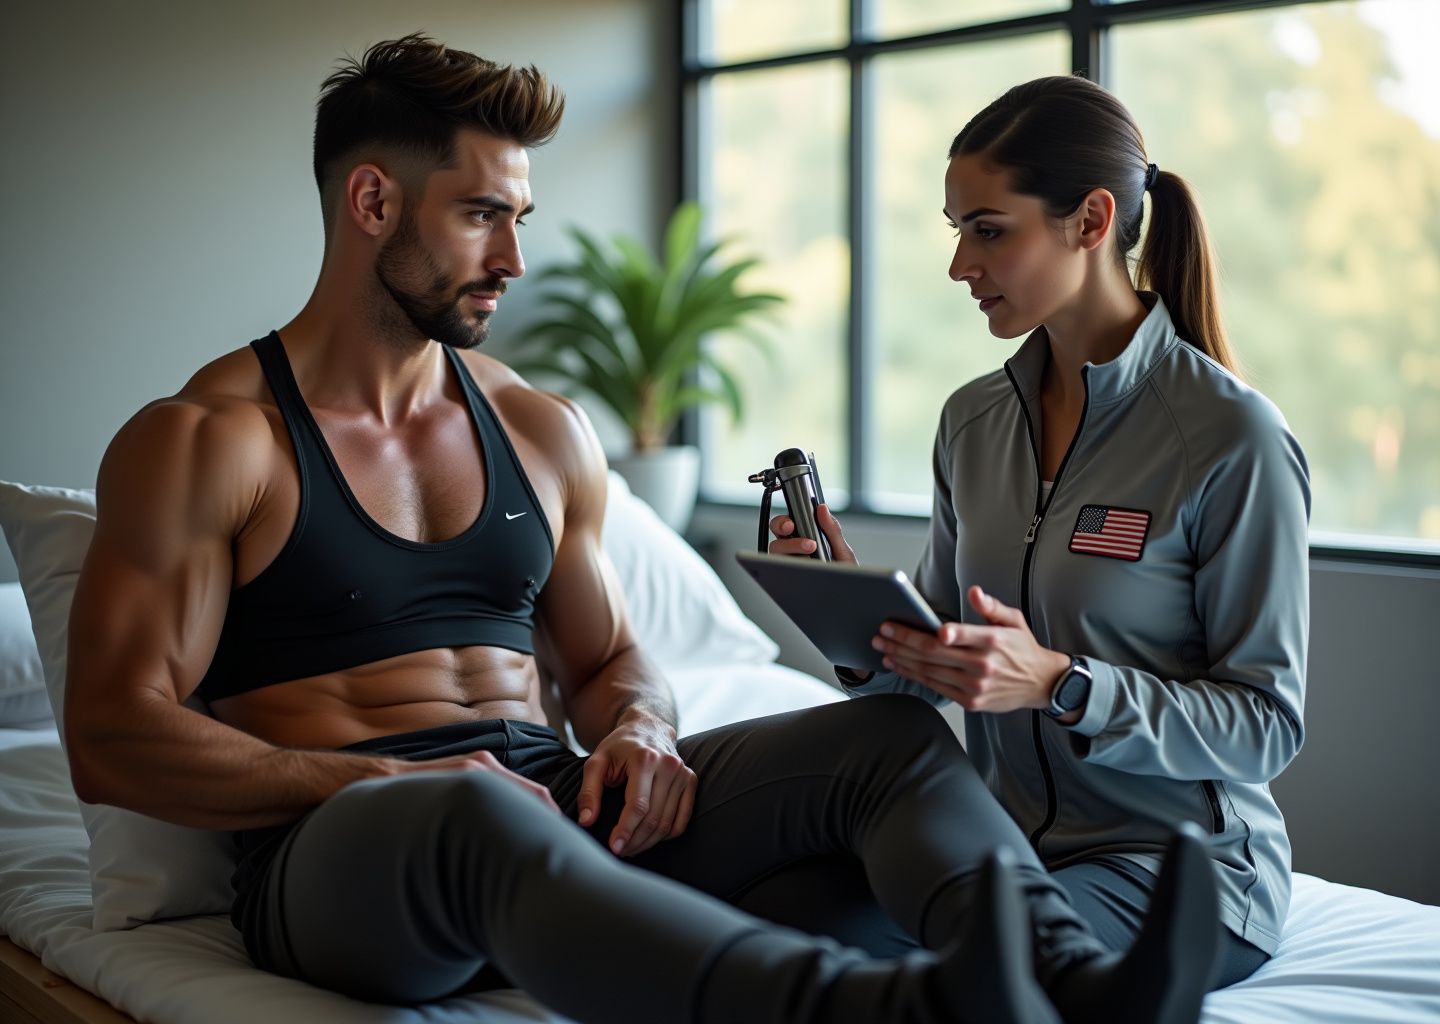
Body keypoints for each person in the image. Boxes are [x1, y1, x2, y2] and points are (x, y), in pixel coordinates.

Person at [64, 39, 1223, 1024]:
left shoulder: (537, 427)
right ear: (372, 203)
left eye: (518, 218)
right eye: (479, 217)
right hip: (347, 857)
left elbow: (611, 662)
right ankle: (879, 1007)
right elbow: (113, 736)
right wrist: (365, 776)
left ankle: (1078, 981)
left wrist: (642, 732)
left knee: (881, 739)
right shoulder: (212, 439)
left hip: (550, 803)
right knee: (464, 809)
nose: (515, 260)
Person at [770, 74, 1310, 993]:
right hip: (997, 848)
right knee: (780, 936)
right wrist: (857, 624)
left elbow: (1266, 724)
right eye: (957, 232)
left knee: (975, 975)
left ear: (1091, 221)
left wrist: (1064, 686)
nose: (959, 266)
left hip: (1180, 867)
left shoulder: (1229, 437)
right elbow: (949, 660)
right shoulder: (971, 421)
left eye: (989, 230)